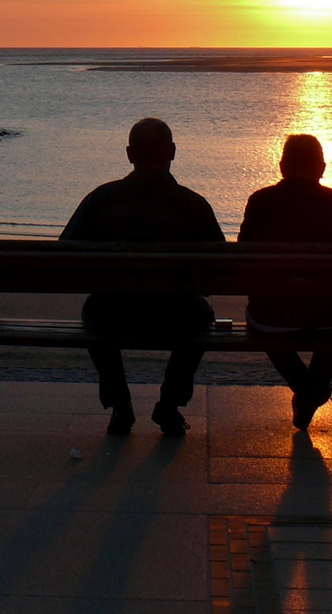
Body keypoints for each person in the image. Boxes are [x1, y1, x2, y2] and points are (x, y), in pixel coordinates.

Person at [62, 117, 224, 437]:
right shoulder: (194, 205)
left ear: (129, 154)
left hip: (114, 314)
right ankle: (170, 404)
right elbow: (218, 272)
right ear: (173, 152)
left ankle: (120, 404)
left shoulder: (101, 199)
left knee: (92, 311)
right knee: (203, 315)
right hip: (176, 315)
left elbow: (65, 253)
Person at [238, 134, 332, 430]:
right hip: (329, 317)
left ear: (282, 166)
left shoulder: (260, 202)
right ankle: (312, 387)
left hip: (272, 316)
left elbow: (242, 259)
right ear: (321, 167)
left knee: (262, 321)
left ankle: (307, 387)